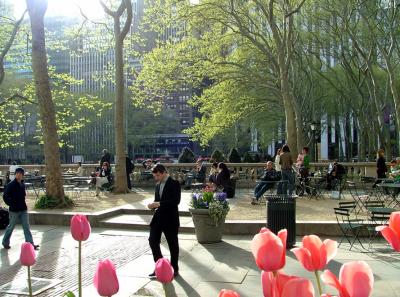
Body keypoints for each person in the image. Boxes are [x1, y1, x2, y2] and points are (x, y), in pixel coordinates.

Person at [147, 164, 180, 278]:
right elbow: (158, 200)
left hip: (170, 219)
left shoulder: (174, 183)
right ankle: (160, 267)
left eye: (157, 175)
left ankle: (174, 268)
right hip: (158, 218)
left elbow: (176, 201)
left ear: (163, 172)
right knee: (152, 240)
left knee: (173, 244)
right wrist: (152, 205)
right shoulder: (157, 184)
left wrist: (159, 204)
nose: (156, 177)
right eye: (154, 175)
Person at [2, 167, 39, 250]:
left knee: (26, 227)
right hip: (14, 210)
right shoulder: (10, 185)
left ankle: (30, 244)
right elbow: (5, 196)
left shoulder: (22, 184)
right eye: (17, 173)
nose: (18, 175)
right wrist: (11, 203)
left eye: (20, 173)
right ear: (15, 174)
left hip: (23, 209)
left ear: (23, 175)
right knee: (11, 227)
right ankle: (5, 242)